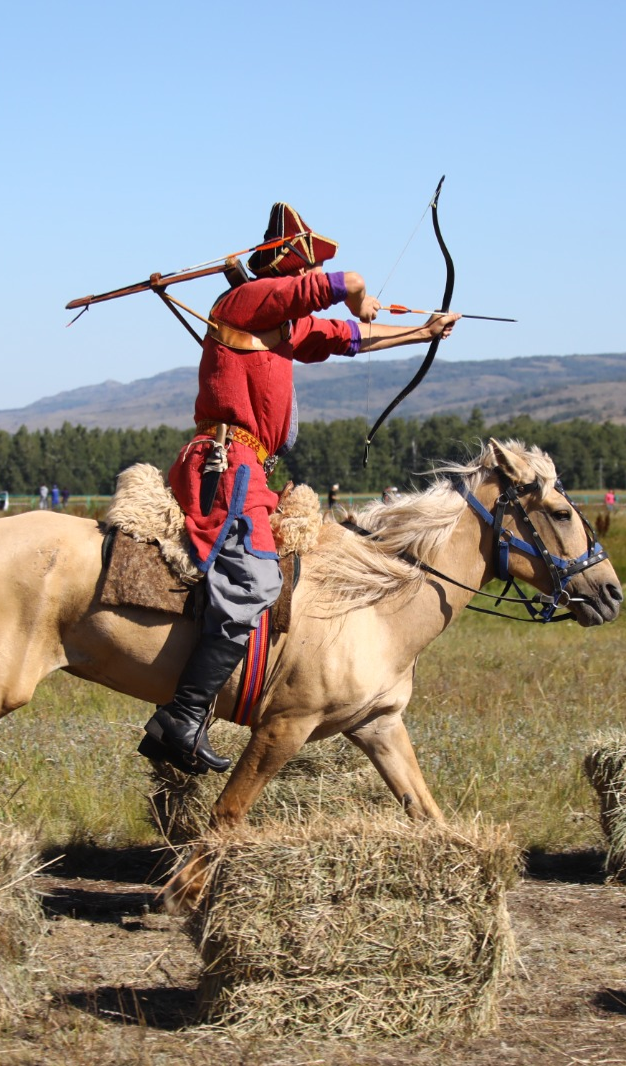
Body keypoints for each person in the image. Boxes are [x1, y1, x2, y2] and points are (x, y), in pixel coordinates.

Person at [139, 202, 461, 775]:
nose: (299, 285)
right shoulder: (244, 301)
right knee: (253, 580)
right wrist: (357, 291)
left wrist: (423, 330)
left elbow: (348, 336)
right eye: (300, 272)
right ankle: (182, 716)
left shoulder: (278, 328)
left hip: (247, 469)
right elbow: (349, 288)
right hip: (225, 466)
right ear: (286, 266)